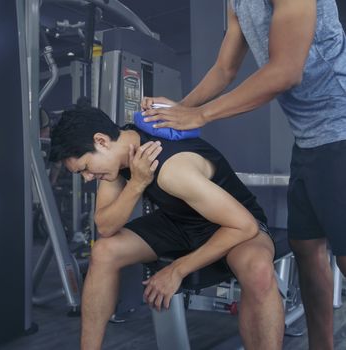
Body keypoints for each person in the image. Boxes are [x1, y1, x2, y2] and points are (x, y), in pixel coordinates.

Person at [140, 1, 346, 348]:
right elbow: (224, 69)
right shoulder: (237, 2)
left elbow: (285, 72)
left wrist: (201, 116)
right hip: (307, 140)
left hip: (340, 132)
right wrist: (179, 110)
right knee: (307, 251)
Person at [49, 106, 284, 350]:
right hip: (179, 222)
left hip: (230, 223)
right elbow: (106, 227)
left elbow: (243, 225)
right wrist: (137, 184)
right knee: (104, 251)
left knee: (257, 270)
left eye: (85, 167)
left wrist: (177, 270)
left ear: (101, 141)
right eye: (81, 173)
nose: (87, 177)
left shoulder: (172, 170)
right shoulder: (119, 158)